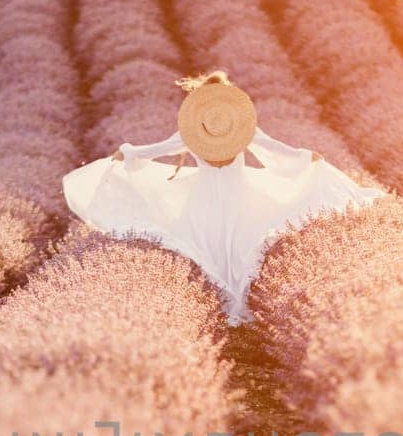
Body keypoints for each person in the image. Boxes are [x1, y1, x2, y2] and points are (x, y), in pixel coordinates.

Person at [62, 71, 383, 323]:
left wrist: (128, 153)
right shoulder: (238, 128)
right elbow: (274, 149)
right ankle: (236, 302)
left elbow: (156, 150)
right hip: (238, 195)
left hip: (203, 196)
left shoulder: (194, 129)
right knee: (237, 246)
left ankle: (220, 301)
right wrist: (303, 158)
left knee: (210, 243)